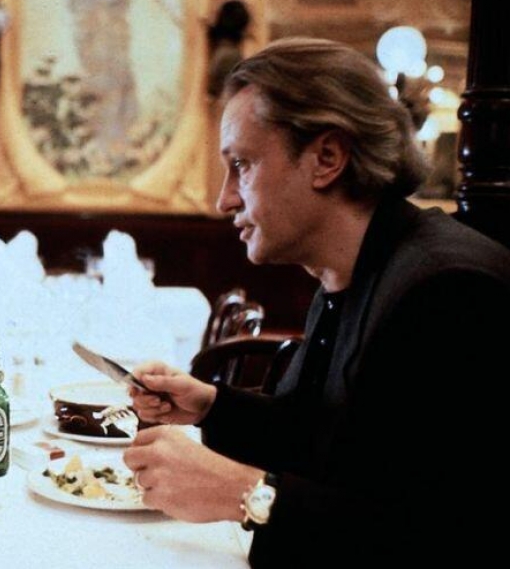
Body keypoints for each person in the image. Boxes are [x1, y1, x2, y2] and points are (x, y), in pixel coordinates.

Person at [123, 38, 510, 567]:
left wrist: (247, 494)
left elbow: (440, 536)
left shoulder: (448, 292)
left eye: (243, 165)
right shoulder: (350, 269)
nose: (225, 199)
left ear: (327, 158)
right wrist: (213, 405)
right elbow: (321, 435)